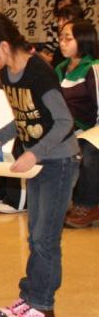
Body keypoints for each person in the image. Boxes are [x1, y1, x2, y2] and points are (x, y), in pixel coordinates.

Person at [0, 11, 80, 317]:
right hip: (39, 164)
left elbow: (64, 122)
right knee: (35, 237)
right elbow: (22, 117)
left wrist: (34, 153)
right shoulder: (7, 73)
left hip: (59, 162)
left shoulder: (39, 73)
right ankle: (30, 296)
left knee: (46, 239)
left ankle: (43, 308)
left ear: (3, 46)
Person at [55, 19, 99, 227]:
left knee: (89, 150)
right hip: (68, 128)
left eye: (68, 38)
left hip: (92, 129)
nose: (62, 42)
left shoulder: (93, 68)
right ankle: (57, 201)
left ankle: (88, 205)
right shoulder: (61, 68)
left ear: (83, 40)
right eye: (60, 37)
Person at [41, 0, 81, 66]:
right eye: (60, 4)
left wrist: (51, 58)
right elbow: (48, 46)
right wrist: (42, 55)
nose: (62, 7)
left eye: (65, 4)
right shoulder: (54, 26)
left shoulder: (82, 28)